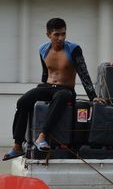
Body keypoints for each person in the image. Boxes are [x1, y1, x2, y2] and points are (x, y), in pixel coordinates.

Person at [3, 18, 103, 161]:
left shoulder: (74, 49)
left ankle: (42, 137)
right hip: (48, 87)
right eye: (57, 34)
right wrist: (39, 91)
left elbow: (83, 72)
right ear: (48, 35)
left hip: (66, 89)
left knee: (61, 96)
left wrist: (93, 96)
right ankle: (17, 146)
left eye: (63, 34)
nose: (61, 38)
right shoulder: (43, 49)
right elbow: (45, 73)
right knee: (23, 101)